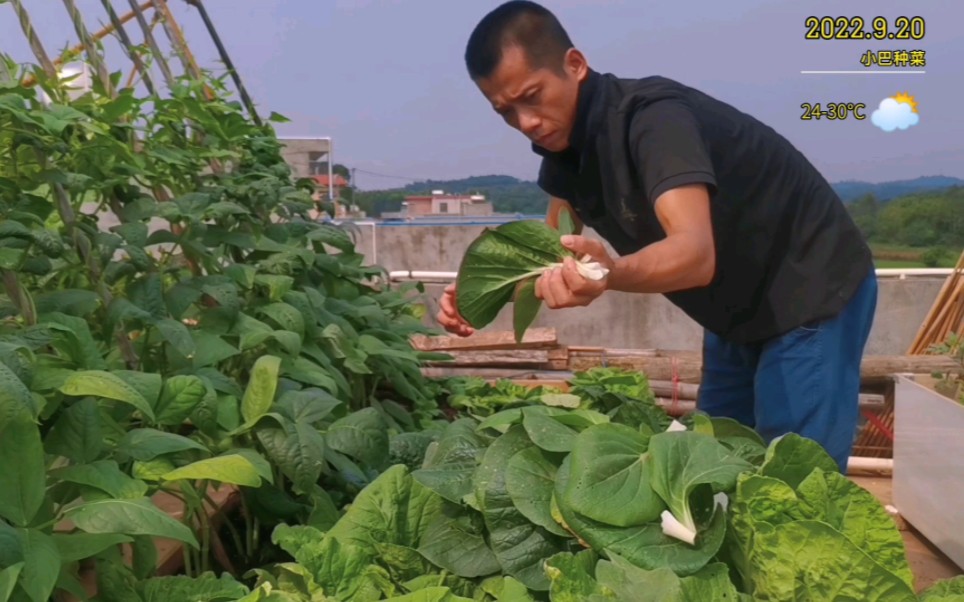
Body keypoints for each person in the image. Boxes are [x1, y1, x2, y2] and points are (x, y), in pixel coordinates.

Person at [436, 0, 877, 472]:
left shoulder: (652, 120)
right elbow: (550, 257)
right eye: (505, 111)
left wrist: (606, 273)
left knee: (795, 484)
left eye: (533, 95)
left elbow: (694, 254)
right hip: (736, 314)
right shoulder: (565, 152)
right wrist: (482, 292)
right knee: (714, 469)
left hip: (809, 288)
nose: (525, 122)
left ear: (575, 65)